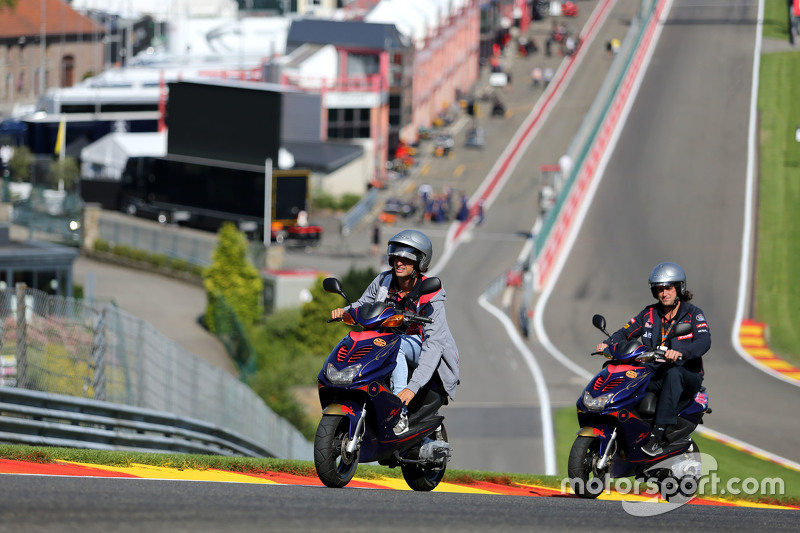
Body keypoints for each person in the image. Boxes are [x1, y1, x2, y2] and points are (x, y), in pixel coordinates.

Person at [331, 229, 460, 435]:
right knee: (355, 341)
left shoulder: (430, 291)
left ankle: (399, 411)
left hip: (419, 345)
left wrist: (412, 387)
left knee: (395, 346)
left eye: (406, 259)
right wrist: (344, 311)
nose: (399, 263)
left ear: (420, 261)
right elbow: (363, 304)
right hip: (385, 339)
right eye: (396, 257)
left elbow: (434, 343)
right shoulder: (383, 280)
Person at [594, 262, 710, 456]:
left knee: (674, 373)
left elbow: (704, 341)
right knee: (630, 375)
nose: (664, 293)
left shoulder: (693, 314)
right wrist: (608, 343)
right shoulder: (649, 313)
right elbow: (626, 332)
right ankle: (630, 432)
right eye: (659, 289)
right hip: (656, 371)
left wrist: (683, 353)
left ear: (679, 288)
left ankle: (657, 436)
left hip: (687, 374)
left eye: (668, 288)